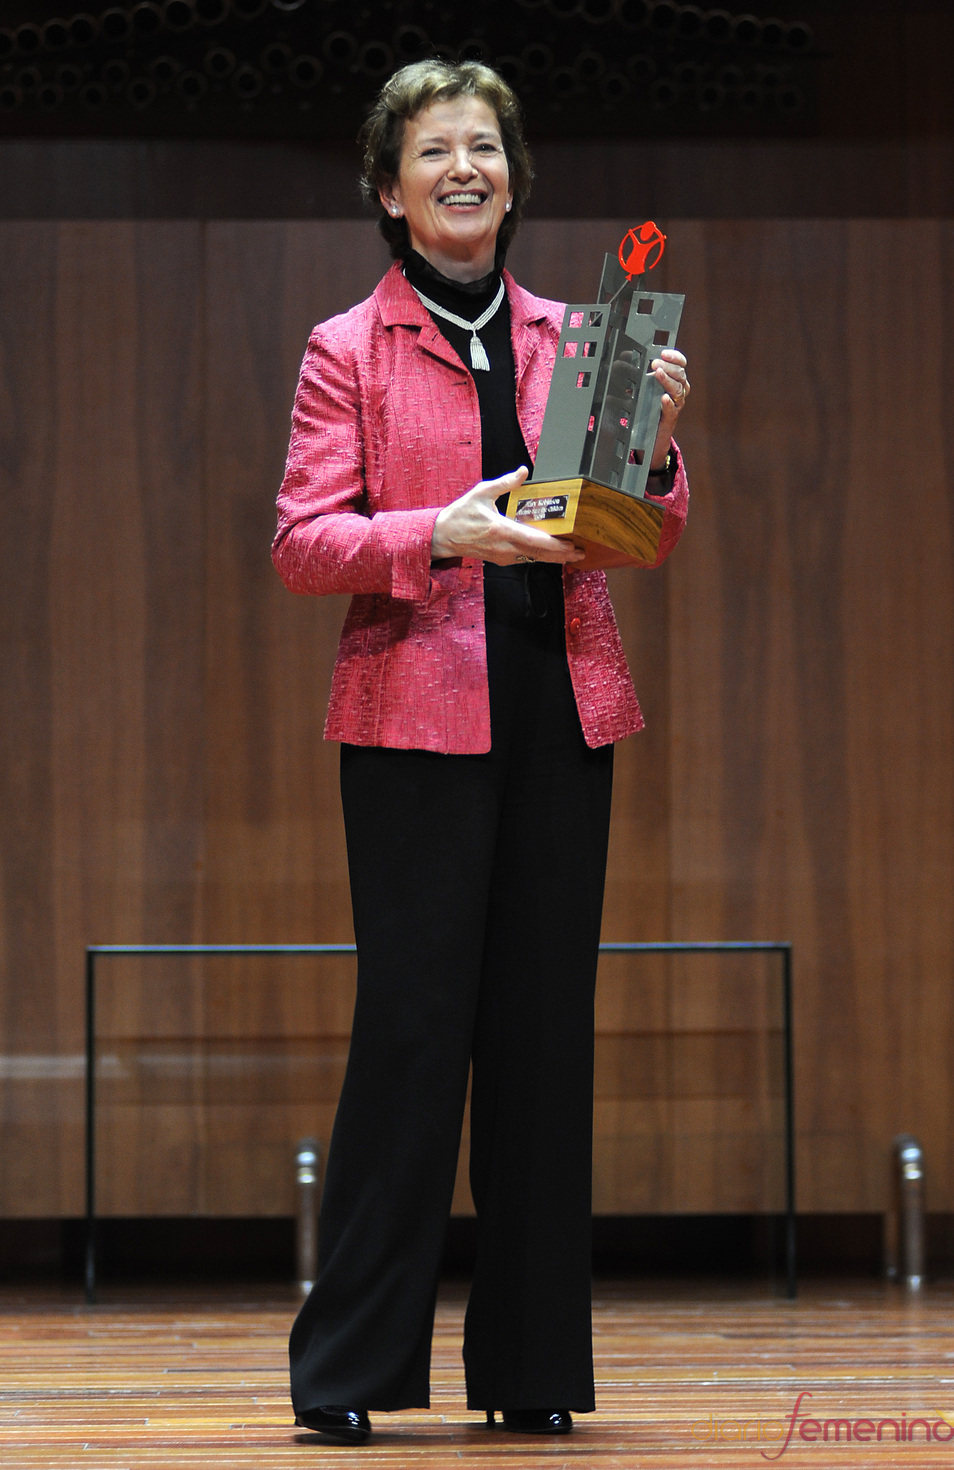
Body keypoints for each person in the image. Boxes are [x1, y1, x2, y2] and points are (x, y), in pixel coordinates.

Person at [272, 59, 691, 1447]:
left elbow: (637, 533)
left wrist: (659, 450)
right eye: (435, 150)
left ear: (514, 178)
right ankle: (347, 1366)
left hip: (561, 716)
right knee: (409, 1040)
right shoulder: (349, 346)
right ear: (389, 192)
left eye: (486, 148)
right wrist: (433, 534)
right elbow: (300, 541)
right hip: (409, 724)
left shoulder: (582, 334)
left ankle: (531, 1364)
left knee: (537, 1041)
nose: (465, 167)